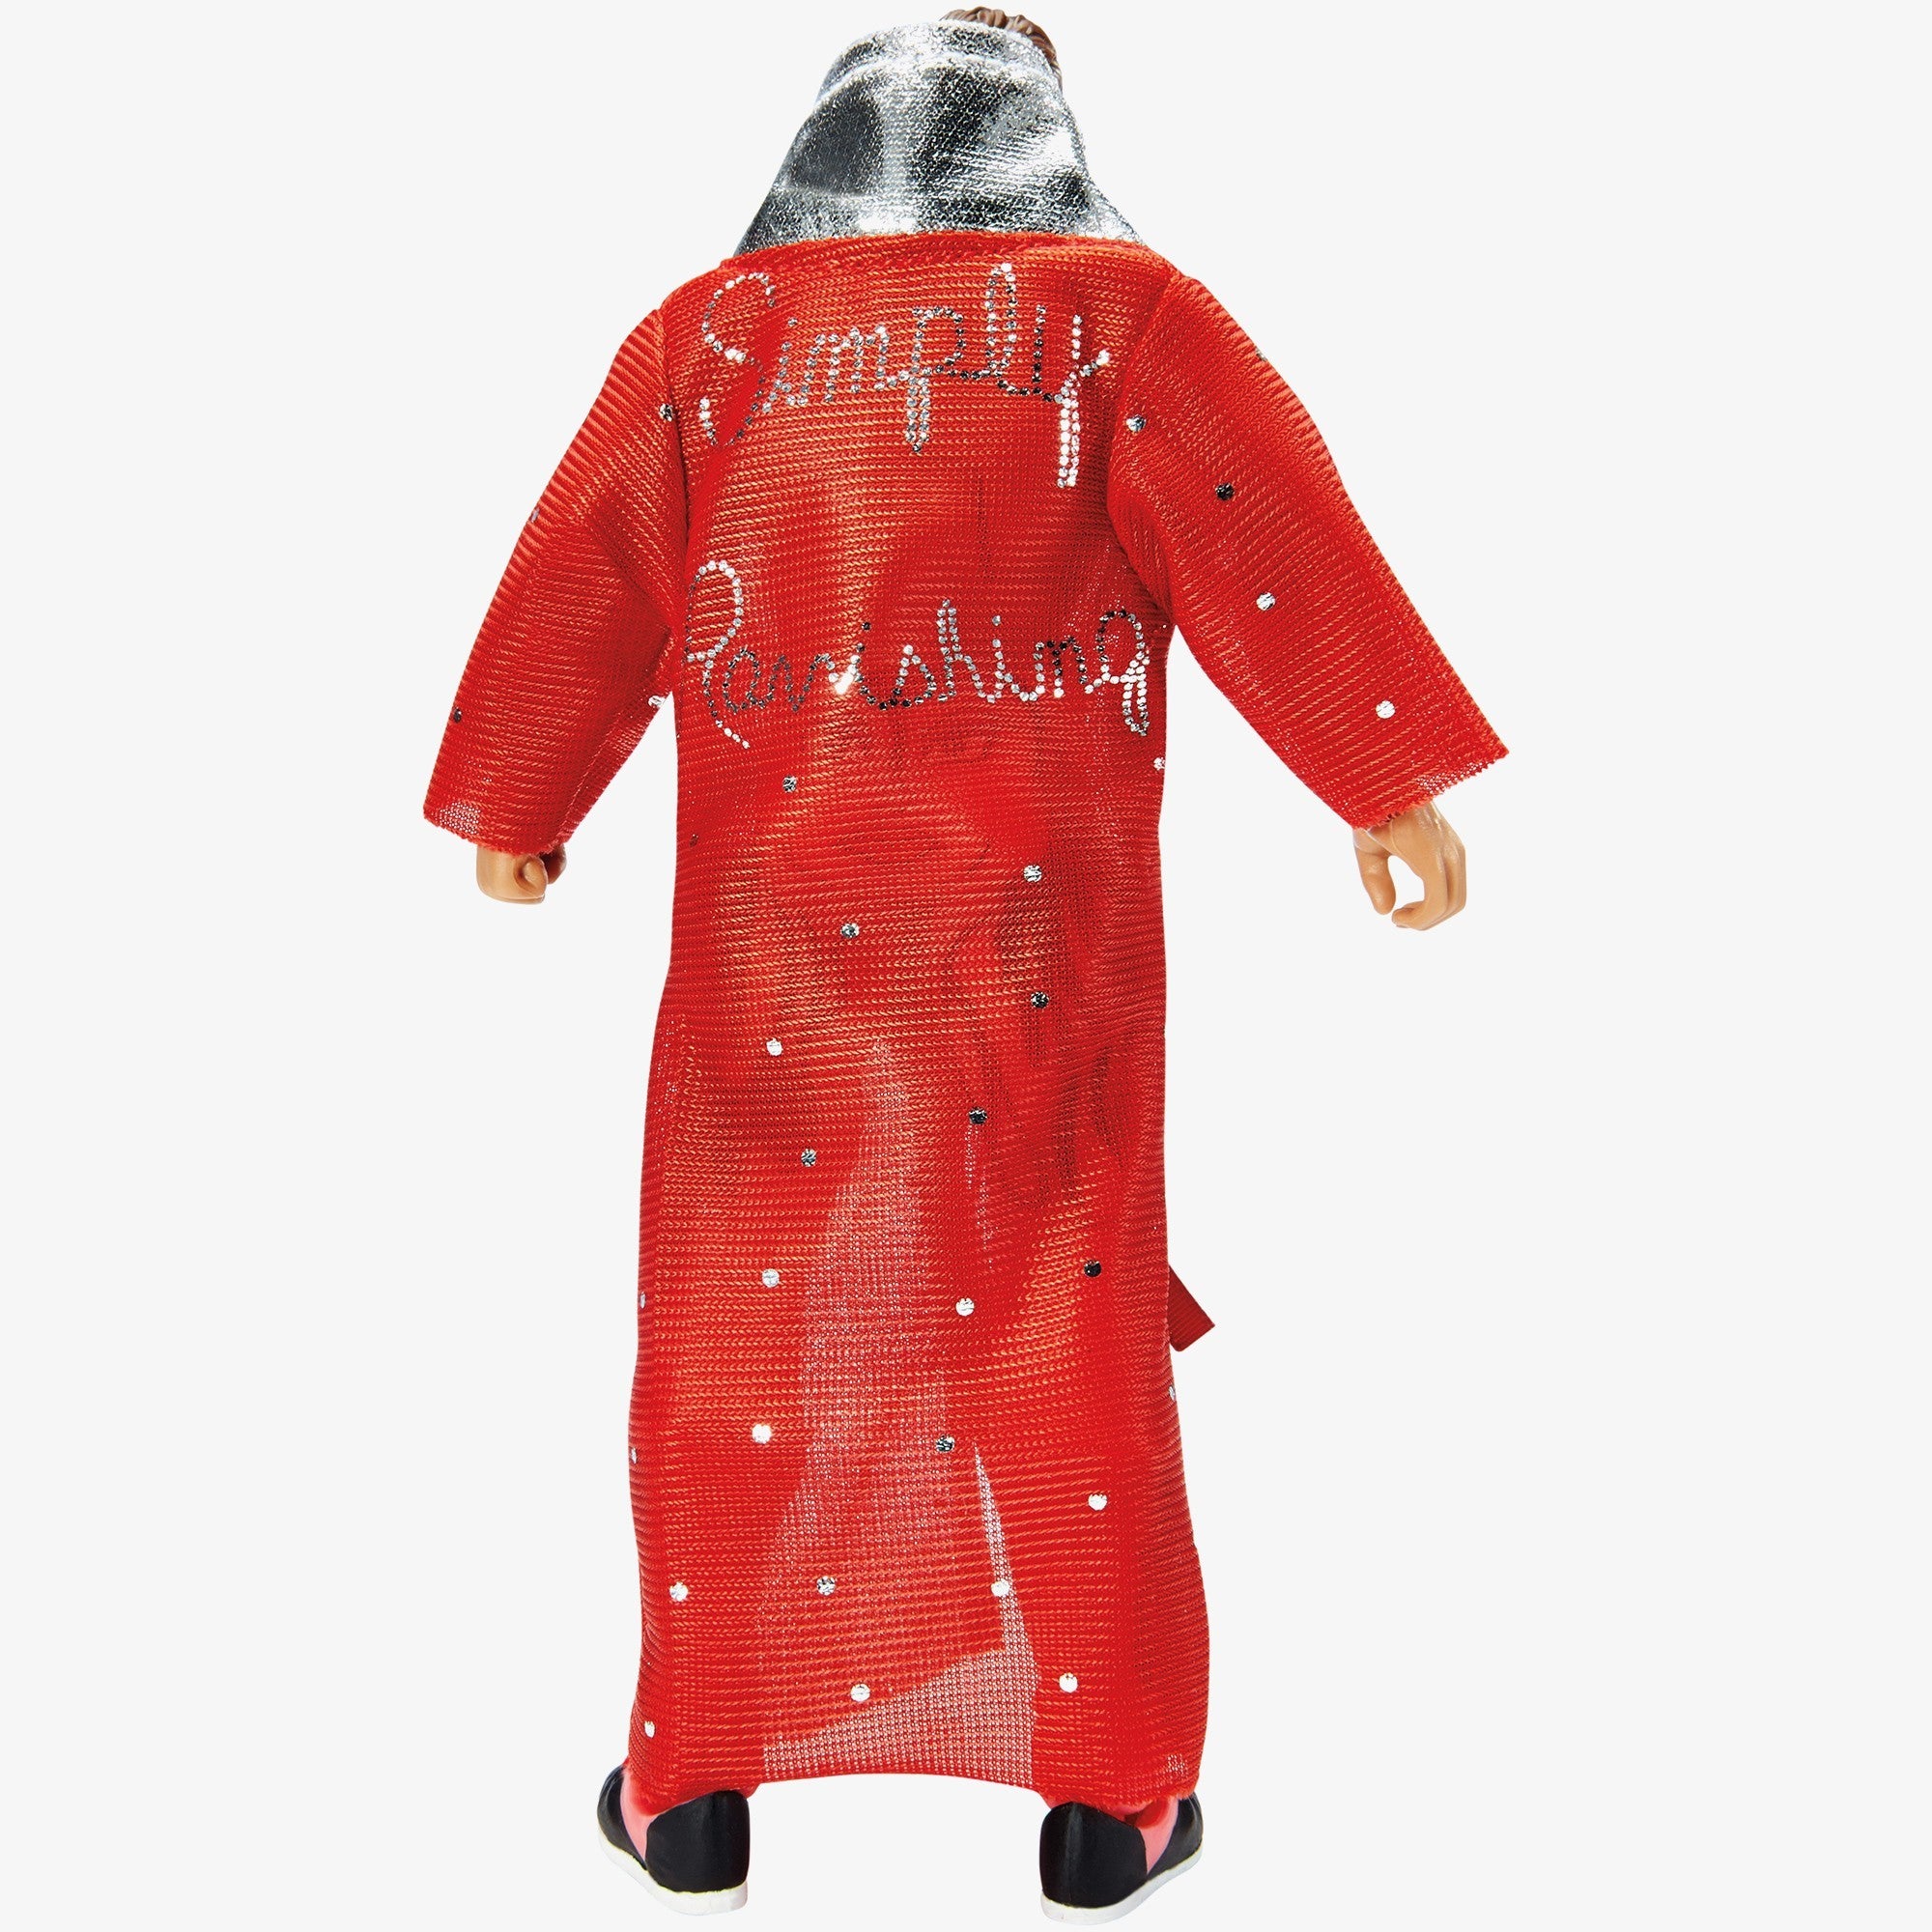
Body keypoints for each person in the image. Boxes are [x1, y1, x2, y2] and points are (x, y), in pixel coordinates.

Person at [424, 11, 1505, 1918]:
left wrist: (523, 790)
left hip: (771, 953)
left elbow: (590, 569)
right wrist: (1382, 783)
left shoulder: (710, 340)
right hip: (1033, 950)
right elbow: (1262, 543)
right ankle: (1107, 1797)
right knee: (1053, 1323)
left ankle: (694, 1786)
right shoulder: (1124, 320)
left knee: (740, 1332)